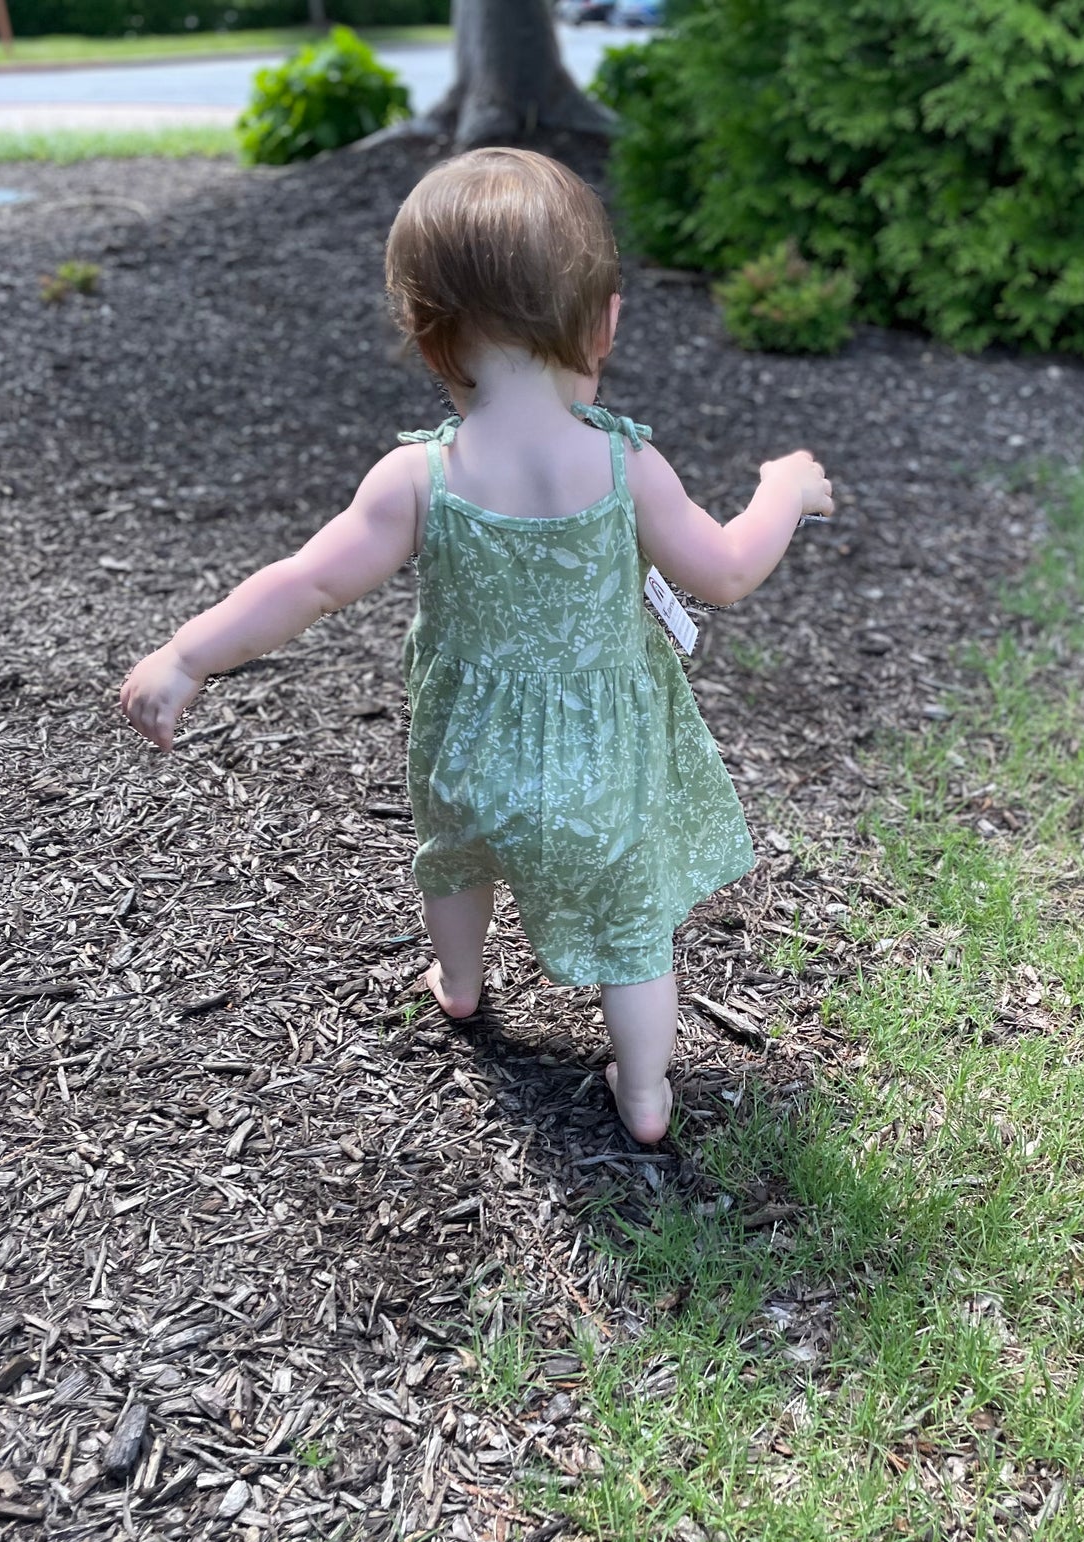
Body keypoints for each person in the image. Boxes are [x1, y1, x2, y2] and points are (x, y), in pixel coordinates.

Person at [119, 149, 833, 1144]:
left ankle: (459, 983)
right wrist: (781, 493)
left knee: (453, 864)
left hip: (467, 763)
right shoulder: (627, 466)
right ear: (604, 323)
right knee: (633, 935)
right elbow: (721, 573)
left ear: (426, 337)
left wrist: (188, 655)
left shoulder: (421, 477)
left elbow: (308, 581)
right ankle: (643, 1095)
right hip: (602, 778)